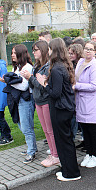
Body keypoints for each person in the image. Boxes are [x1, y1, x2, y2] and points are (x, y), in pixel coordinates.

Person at [36, 38, 81, 181]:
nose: (47, 51)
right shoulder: (62, 66)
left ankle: (71, 173)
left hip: (60, 108)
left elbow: (55, 93)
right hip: (65, 107)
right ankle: (67, 169)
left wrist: (43, 83)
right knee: (64, 140)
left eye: (49, 48)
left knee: (64, 141)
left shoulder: (56, 68)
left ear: (53, 50)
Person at [21, 40, 59, 167]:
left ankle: (56, 155)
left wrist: (30, 77)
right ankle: (53, 153)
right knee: (46, 130)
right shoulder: (37, 66)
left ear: (43, 51)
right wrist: (29, 78)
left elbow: (43, 86)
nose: (33, 52)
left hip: (46, 101)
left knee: (51, 130)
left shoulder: (48, 67)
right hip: (38, 101)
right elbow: (33, 85)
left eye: (36, 49)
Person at [0, 44, 37, 164]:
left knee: (27, 127)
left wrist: (8, 82)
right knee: (20, 123)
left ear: (21, 54)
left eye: (14, 53)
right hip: (16, 99)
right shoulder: (16, 67)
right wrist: (10, 81)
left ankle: (31, 151)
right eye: (12, 53)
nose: (12, 55)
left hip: (26, 100)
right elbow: (16, 82)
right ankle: (33, 147)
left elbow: (24, 86)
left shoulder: (27, 67)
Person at [75, 41, 96, 168]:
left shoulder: (95, 66)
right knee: (85, 129)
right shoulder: (80, 62)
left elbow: (95, 85)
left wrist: (77, 86)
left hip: (91, 102)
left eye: (91, 49)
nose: (88, 51)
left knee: (92, 129)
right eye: (86, 48)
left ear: (95, 51)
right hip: (81, 101)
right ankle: (89, 153)